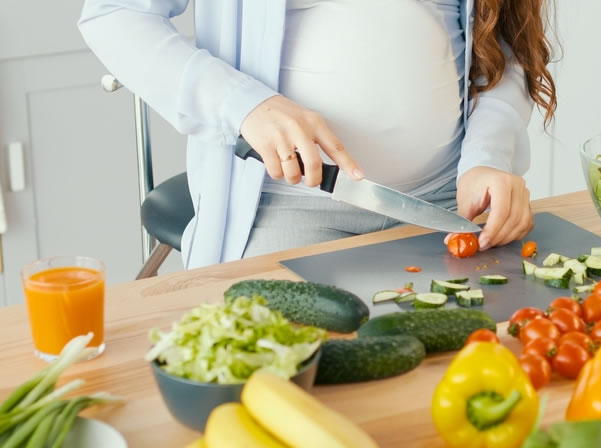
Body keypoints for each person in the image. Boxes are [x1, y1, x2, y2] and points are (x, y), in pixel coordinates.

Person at [79, 0, 556, 269]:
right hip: (284, 206)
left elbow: (504, 48)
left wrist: (490, 156)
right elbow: (115, 15)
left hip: (446, 205)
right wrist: (244, 105)